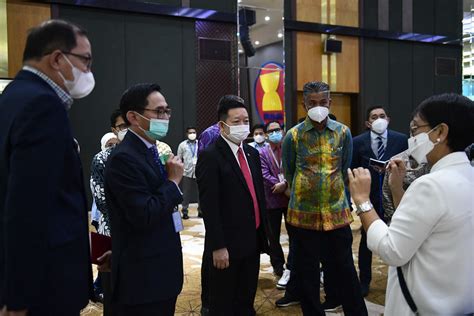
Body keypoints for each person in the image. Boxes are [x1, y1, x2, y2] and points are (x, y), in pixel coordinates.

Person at [348, 93, 474, 315]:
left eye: (416, 129)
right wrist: (397, 189)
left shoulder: (430, 185)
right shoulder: (467, 175)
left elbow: (391, 250)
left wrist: (362, 201)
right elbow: (419, 226)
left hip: (424, 304)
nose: (412, 137)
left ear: (440, 132)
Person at [0, 19, 94, 315]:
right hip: (44, 288)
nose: (89, 71)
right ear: (57, 58)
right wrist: (18, 297)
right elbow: (28, 206)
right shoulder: (43, 105)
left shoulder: (13, 96)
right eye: (86, 60)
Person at [280, 81, 367, 315]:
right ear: (304, 104)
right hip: (303, 218)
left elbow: (344, 169)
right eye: (312, 103)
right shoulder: (293, 136)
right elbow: (289, 172)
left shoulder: (343, 132)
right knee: (307, 274)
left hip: (336, 214)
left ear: (329, 102)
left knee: (345, 270)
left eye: (322, 102)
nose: (318, 107)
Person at [104, 83, 184, 315]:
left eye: (167, 111)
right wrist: (172, 182)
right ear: (133, 117)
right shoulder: (124, 159)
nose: (165, 117)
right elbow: (144, 214)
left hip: (159, 270)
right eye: (158, 112)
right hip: (143, 279)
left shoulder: (150, 150)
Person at [196, 95, 269, 315]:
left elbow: (256, 196)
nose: (242, 126)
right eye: (236, 122)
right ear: (222, 125)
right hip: (226, 245)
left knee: (246, 299)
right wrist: (218, 246)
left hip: (252, 239)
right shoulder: (211, 156)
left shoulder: (252, 153)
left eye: (245, 121)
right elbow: (210, 205)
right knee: (224, 302)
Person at [351, 106, 408, 296]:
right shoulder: (357, 142)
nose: (379, 119)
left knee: (400, 238)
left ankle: (400, 280)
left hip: (395, 198)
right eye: (374, 117)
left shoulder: (401, 140)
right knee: (367, 241)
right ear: (368, 123)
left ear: (388, 119)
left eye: (382, 116)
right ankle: (364, 280)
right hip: (370, 198)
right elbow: (351, 170)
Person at [258, 121, 290, 283]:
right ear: (266, 135)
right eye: (271, 131)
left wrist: (285, 185)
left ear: (283, 131)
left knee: (295, 234)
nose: (275, 133)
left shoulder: (289, 149)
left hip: (290, 197)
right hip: (272, 199)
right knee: (273, 235)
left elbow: (295, 169)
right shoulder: (262, 152)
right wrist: (279, 185)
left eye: (277, 130)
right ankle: (278, 265)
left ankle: (292, 265)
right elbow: (263, 174)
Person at [177, 127, 200, 219]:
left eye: (194, 132)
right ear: (187, 134)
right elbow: (179, 158)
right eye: (190, 133)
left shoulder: (200, 143)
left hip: (199, 172)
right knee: (186, 193)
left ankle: (201, 211)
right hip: (187, 172)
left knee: (201, 193)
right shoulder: (182, 145)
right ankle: (185, 211)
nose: (192, 134)